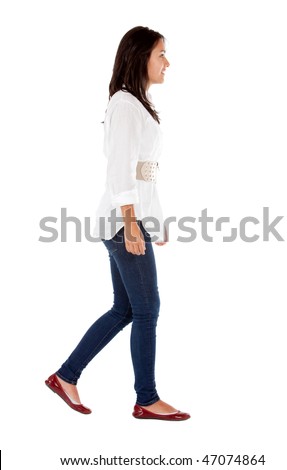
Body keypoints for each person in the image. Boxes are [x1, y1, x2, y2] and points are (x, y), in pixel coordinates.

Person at [45, 26, 190, 421]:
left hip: (129, 219)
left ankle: (66, 375)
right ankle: (146, 398)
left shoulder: (136, 105)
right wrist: (131, 223)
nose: (167, 62)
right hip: (121, 221)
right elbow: (119, 171)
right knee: (147, 308)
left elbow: (145, 172)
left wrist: (153, 220)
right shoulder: (124, 104)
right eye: (161, 54)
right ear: (140, 55)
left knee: (126, 309)